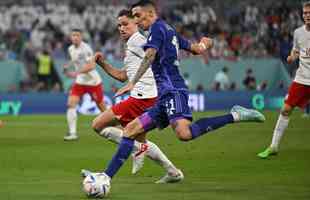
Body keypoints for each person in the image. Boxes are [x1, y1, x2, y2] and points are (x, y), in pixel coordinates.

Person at [89, 0, 265, 188]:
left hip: (173, 90)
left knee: (184, 133)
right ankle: (106, 177)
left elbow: (150, 55)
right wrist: (206, 44)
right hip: (163, 96)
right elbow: (196, 49)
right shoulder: (169, 30)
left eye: (138, 16)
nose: (137, 21)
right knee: (131, 130)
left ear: (150, 13)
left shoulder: (156, 29)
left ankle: (235, 115)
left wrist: (133, 82)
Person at [84, 9, 184, 183]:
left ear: (136, 24)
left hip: (143, 98)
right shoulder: (132, 44)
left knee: (98, 124)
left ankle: (130, 154)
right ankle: (173, 172)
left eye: (125, 24)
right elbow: (123, 76)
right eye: (119, 25)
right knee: (138, 139)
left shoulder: (138, 41)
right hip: (148, 97)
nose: (121, 28)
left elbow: (154, 55)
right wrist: (103, 63)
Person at [257, 2, 310, 159]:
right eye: (305, 13)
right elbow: (296, 50)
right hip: (301, 79)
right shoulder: (298, 33)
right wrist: (292, 56)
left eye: (309, 12)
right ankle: (273, 146)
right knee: (285, 109)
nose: (307, 15)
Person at [63, 29, 105, 141]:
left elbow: (91, 66)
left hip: (93, 82)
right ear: (71, 37)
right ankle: (72, 133)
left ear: (81, 37)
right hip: (80, 82)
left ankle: (118, 127)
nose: (75, 37)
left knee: (103, 109)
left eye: (77, 35)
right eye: (73, 35)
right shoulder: (70, 49)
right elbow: (75, 60)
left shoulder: (86, 49)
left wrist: (76, 73)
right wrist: (68, 66)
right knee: (71, 104)